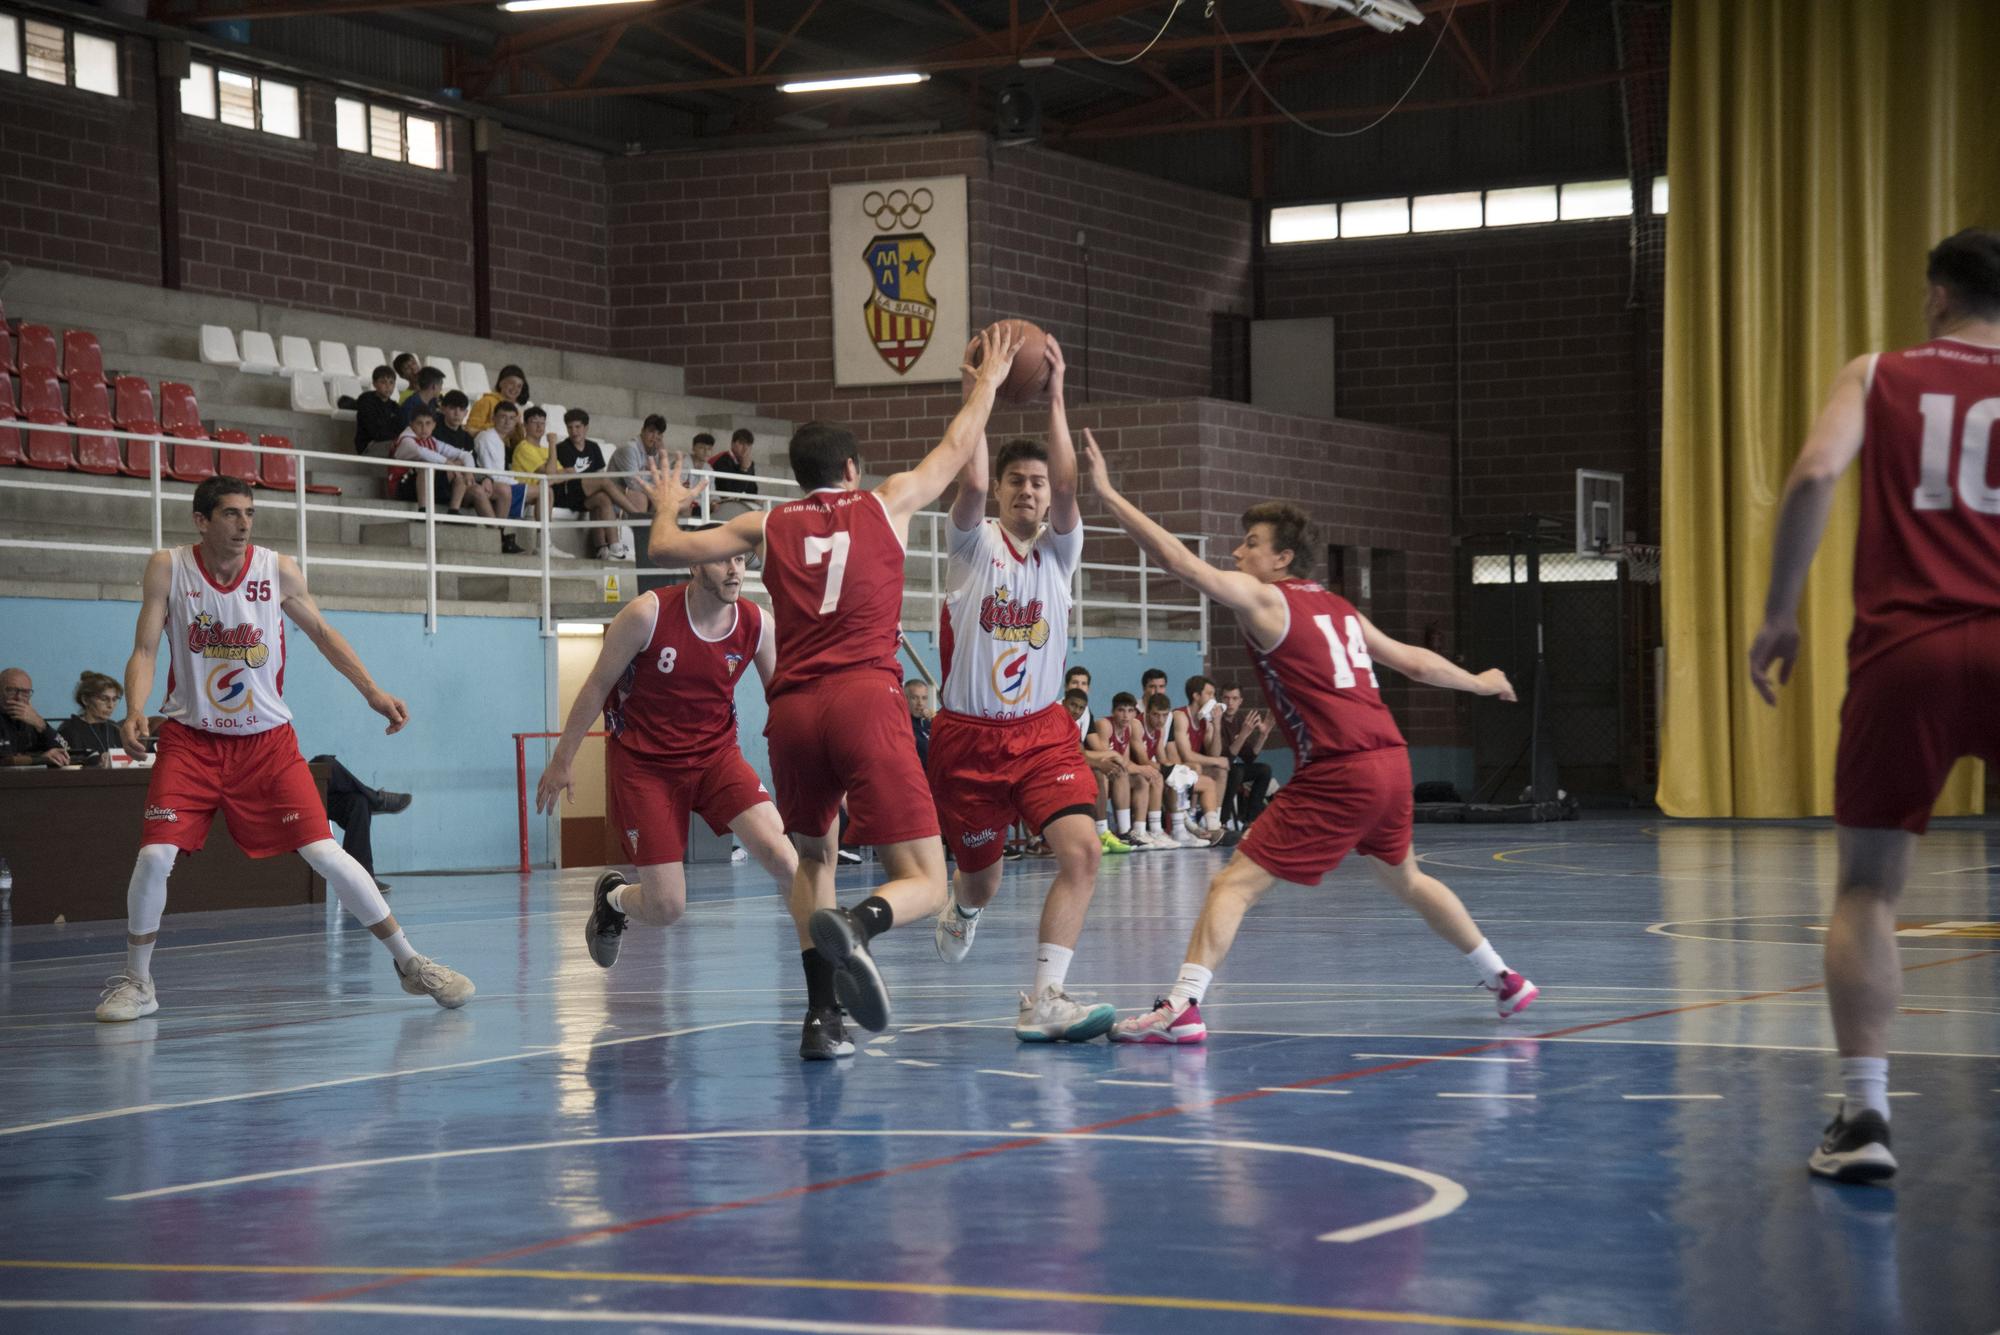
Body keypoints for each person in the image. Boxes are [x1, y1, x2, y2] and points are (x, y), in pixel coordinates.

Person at [1078, 436, 1536, 1046]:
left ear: (1282, 558)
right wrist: (1480, 681)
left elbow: (1181, 565)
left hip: (1342, 768)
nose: (1237, 552)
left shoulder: (1268, 599)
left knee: (1230, 884)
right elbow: (1414, 663)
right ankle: (1502, 977)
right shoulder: (1340, 609)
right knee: (1406, 880)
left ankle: (1182, 1007)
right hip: (1390, 763)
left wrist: (1108, 493)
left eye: (1250, 544)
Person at [644, 322, 1026, 1036]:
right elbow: (955, 445)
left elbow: (666, 545)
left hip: (791, 707)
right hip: (863, 697)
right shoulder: (888, 500)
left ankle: (821, 1019)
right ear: (852, 468)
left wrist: (668, 497)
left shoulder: (769, 520)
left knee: (811, 858)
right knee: (926, 878)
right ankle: (859, 920)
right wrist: (988, 383)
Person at [1746, 228, 2000, 1183]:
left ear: (1937, 295)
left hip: (1909, 650)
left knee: (1867, 888)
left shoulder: (1879, 371)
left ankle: (1865, 1115)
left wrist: (1779, 614)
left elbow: (1814, 475)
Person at [94, 475, 472, 1022]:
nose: (243, 523)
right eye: (230, 514)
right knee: (154, 856)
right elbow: (146, 648)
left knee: (325, 853)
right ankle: (138, 982)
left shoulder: (278, 570)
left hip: (266, 744)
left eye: (249, 513)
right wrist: (134, 707)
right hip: (191, 741)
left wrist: (373, 691)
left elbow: (322, 633)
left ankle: (412, 964)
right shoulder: (168, 567)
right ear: (202, 520)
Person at [534, 538, 831, 1053]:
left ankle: (825, 994)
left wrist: (821, 758)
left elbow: (784, 699)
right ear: (695, 565)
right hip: (646, 767)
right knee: (668, 907)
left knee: (787, 858)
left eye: (741, 559)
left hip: (717, 757)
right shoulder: (646, 615)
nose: (735, 569)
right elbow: (596, 685)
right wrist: (563, 760)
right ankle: (612, 898)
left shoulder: (756, 624)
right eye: (723, 559)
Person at [925, 336, 1117, 1041]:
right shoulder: (973, 547)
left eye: (1037, 482)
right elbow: (968, 481)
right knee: (983, 880)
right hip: (967, 738)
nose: (1031, 491)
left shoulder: (1059, 555)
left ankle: (1045, 997)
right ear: (1003, 494)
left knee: (1083, 851)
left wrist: (1058, 392)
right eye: (1019, 483)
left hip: (1040, 733)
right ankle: (966, 905)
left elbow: (1071, 488)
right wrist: (979, 387)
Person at [309, 755, 411, 894]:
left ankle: (362, 878)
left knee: (358, 801)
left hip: (302, 792)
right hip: (279, 795)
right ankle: (377, 800)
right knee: (324, 762)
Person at [544, 408, 626, 560]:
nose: (574, 431)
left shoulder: (593, 447)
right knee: (603, 481)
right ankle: (632, 511)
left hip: (586, 494)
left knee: (603, 499)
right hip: (568, 492)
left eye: (577, 427)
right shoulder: (563, 447)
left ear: (586, 428)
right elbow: (572, 475)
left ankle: (609, 547)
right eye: (570, 427)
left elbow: (600, 472)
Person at [1091, 691, 1168, 848]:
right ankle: (1107, 831)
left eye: (1130, 711)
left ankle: (1138, 831)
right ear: (1113, 711)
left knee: (1142, 779)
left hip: (1114, 774)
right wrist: (1141, 768)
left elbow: (1124, 761)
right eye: (1121, 710)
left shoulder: (1129, 728)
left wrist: (1142, 769)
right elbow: (1105, 759)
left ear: (1135, 712)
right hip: (1095, 772)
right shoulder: (1104, 725)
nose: (1126, 715)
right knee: (1119, 773)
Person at [1171, 675, 1234, 843]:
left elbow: (1214, 753)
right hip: (1176, 766)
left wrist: (1217, 723)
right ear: (1196, 696)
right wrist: (1217, 760)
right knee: (1196, 767)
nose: (1213, 699)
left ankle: (1213, 821)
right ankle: (1190, 817)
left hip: (1192, 766)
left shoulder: (1205, 720)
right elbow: (1186, 755)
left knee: (1220, 771)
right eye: (1209, 694)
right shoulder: (1180, 716)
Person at [473, 400, 527, 553]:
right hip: (484, 482)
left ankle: (502, 537)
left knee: (543, 491)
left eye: (511, 418)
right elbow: (492, 473)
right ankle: (502, 537)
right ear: (493, 418)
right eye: (503, 417)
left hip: (496, 482)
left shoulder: (501, 440)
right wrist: (516, 482)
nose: (507, 422)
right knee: (543, 492)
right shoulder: (487, 437)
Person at [1218, 684, 1275, 828]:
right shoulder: (1216, 720)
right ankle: (1223, 821)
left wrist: (1263, 735)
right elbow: (1226, 759)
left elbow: (1249, 758)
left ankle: (1251, 820)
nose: (1230, 703)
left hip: (1231, 768)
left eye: (1234, 698)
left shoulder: (1239, 719)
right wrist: (1243, 735)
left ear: (1240, 701)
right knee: (1236, 771)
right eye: (1226, 698)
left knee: (1264, 769)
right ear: (1220, 699)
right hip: (1216, 767)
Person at [0, 668, 69, 768]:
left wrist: (41, 725)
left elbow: (65, 750)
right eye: (11, 690)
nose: (18, 697)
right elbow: (6, 761)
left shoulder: (31, 720)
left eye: (25, 692)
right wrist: (40, 759)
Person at [57, 671, 124, 766]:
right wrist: (97, 760)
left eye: (114, 699)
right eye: (104, 699)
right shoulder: (69, 729)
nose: (111, 705)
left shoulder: (114, 728)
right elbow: (67, 761)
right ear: (85, 700)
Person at [352, 365, 404, 457]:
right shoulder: (367, 401)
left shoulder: (394, 407)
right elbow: (375, 432)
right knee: (404, 446)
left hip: (389, 442)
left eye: (391, 383)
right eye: (383, 382)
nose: (388, 386)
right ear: (374, 384)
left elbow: (400, 429)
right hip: (369, 446)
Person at [468, 364, 530, 433]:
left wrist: (519, 428)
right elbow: (470, 429)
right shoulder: (486, 401)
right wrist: (499, 425)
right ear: (501, 383)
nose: (515, 388)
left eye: (519, 386)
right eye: (511, 383)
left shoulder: (516, 412)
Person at [708, 428, 759, 497]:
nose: (745, 448)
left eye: (748, 445)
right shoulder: (722, 460)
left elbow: (752, 492)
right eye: (741, 443)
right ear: (732, 444)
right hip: (716, 501)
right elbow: (728, 492)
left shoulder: (749, 463)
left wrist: (746, 470)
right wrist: (743, 470)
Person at [904, 678, 933, 768]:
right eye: (914, 698)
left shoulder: (931, 723)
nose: (920, 703)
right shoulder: (901, 725)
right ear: (905, 699)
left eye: (924, 698)